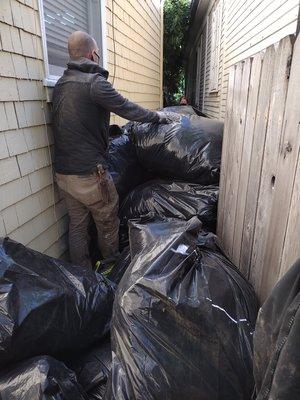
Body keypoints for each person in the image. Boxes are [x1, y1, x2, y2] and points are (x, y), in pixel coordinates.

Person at [52, 31, 175, 268]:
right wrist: (159, 117)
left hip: (64, 174)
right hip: (89, 175)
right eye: (97, 54)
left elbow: (78, 121)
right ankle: (109, 271)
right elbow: (128, 109)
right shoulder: (94, 84)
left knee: (77, 226)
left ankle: (84, 279)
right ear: (92, 54)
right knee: (107, 221)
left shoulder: (61, 84)